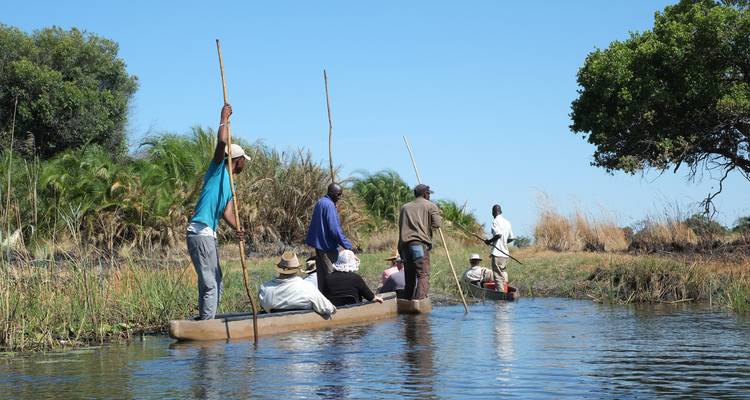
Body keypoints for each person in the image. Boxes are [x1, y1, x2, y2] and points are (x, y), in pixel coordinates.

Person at [186, 104, 251, 320]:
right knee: (210, 283)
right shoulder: (217, 170)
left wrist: (238, 228)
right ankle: (207, 326)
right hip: (200, 232)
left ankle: (208, 320)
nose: (244, 166)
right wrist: (223, 118)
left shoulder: (231, 185)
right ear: (237, 160)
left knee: (216, 281)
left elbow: (227, 213)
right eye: (244, 162)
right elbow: (222, 142)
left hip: (209, 235)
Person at [305, 183, 353, 295]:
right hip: (327, 248)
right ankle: (335, 300)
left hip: (319, 247)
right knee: (332, 277)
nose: (340, 197)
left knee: (322, 278)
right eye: (338, 194)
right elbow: (334, 230)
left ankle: (324, 298)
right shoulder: (329, 205)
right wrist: (348, 246)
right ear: (331, 193)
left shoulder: (320, 202)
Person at [259, 252, 336, 318]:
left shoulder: (265, 288)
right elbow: (328, 308)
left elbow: (265, 308)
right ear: (297, 269)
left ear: (279, 269)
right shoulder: (307, 287)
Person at [398, 184, 442, 300]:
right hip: (419, 245)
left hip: (405, 247)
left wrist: (400, 250)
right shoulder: (431, 206)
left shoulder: (405, 207)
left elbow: (401, 228)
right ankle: (419, 302)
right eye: (428, 194)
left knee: (410, 277)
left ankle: (407, 303)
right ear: (424, 194)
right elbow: (437, 224)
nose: (429, 196)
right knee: (423, 274)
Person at [484, 204, 515, 290]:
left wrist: (489, 241)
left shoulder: (495, 221)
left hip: (497, 254)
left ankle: (501, 298)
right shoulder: (507, 222)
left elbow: (498, 235)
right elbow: (511, 238)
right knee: (503, 273)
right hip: (505, 254)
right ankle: (504, 291)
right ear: (501, 212)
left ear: (493, 213)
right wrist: (504, 242)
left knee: (497, 276)